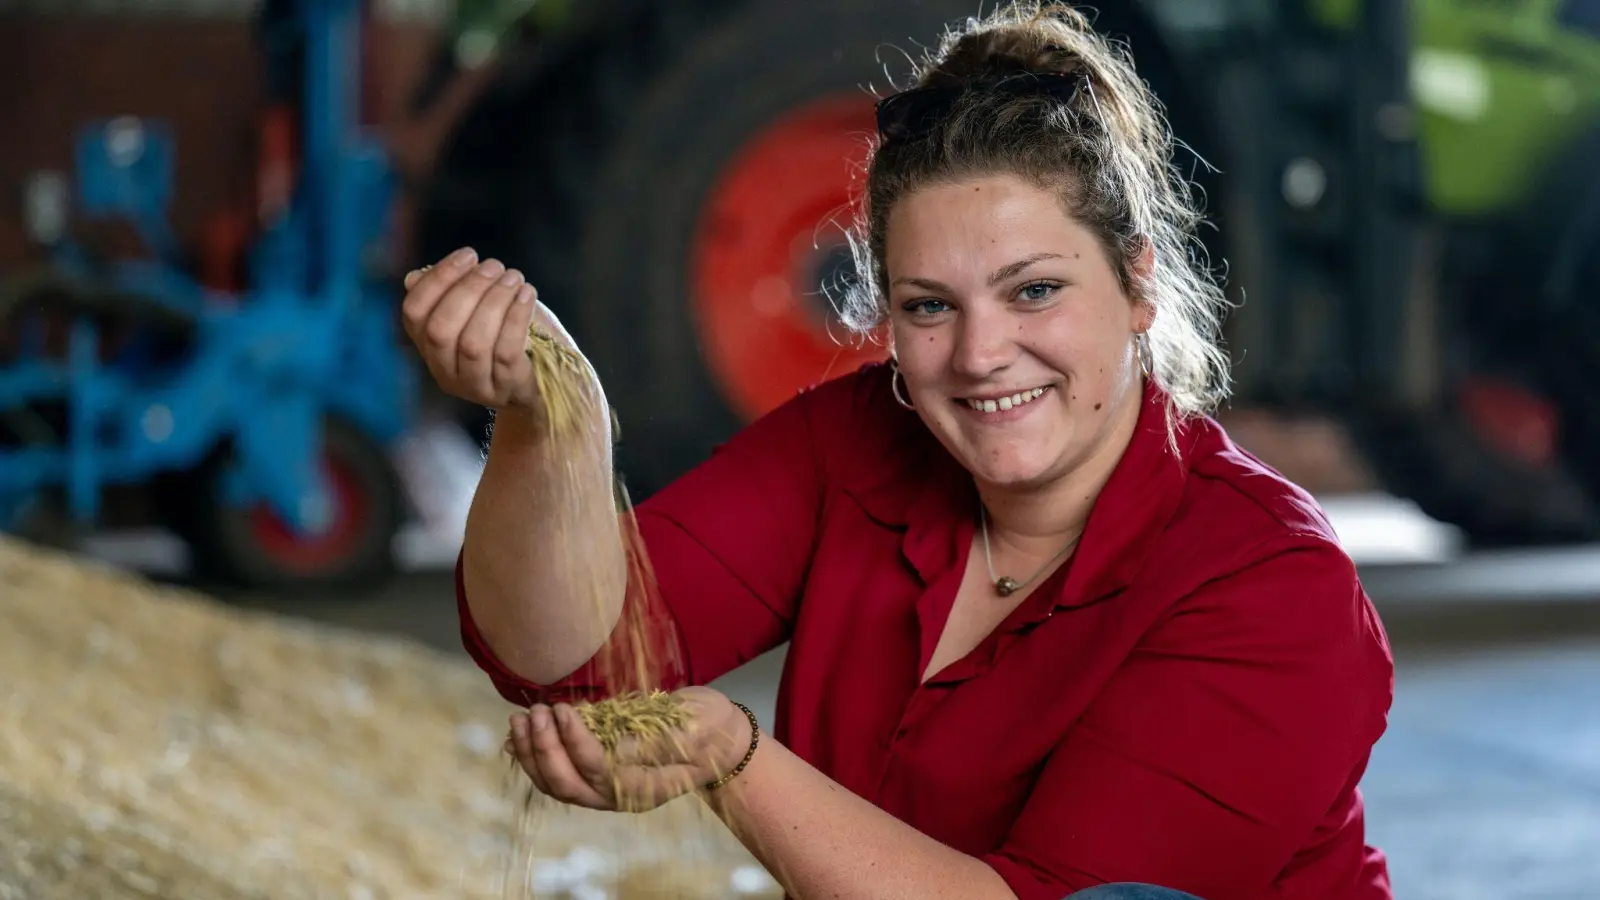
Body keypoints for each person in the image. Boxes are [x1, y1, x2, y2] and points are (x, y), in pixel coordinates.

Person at [398, 3, 1395, 899]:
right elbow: (571, 659)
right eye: (928, 307)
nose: (978, 353)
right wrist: (545, 421)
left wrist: (734, 757)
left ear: (1137, 284)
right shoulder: (856, 442)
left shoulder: (1268, 586)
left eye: (1034, 291)